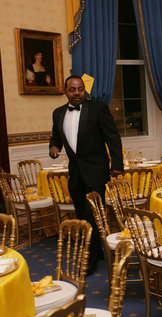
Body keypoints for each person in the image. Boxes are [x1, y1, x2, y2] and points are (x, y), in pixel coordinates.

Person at [49, 75, 124, 275]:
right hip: (75, 174)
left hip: (97, 172)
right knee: (82, 215)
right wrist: (54, 147)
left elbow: (112, 137)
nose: (77, 93)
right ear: (66, 92)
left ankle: (89, 260)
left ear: (84, 90)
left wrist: (117, 164)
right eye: (72, 90)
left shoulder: (98, 109)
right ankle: (97, 250)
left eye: (80, 89)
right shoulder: (58, 113)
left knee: (92, 217)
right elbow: (56, 136)